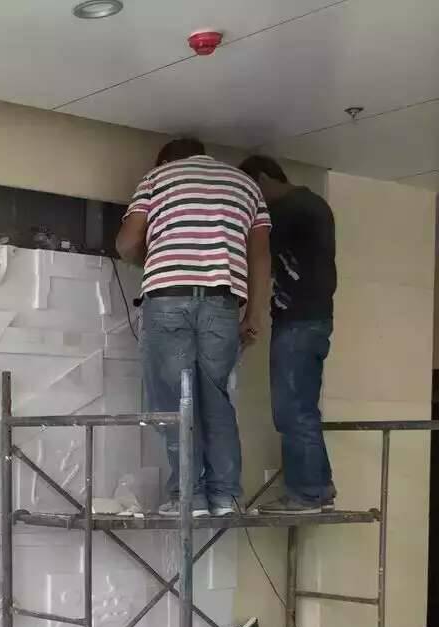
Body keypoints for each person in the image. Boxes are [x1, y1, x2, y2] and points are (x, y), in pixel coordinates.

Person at [116, 138, 272, 517]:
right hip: (222, 301)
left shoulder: (157, 178)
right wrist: (254, 314)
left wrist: (153, 256)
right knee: (215, 398)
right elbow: (260, 255)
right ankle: (226, 497)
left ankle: (190, 497)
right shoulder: (246, 185)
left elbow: (127, 242)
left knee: (175, 399)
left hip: (169, 298)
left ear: (166, 160)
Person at [239, 154, 337, 513]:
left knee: (292, 409)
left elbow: (258, 256)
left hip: (299, 321)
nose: (253, 204)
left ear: (264, 179)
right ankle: (318, 488)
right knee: (300, 407)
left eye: (252, 193)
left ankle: (308, 493)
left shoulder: (290, 209)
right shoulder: (312, 205)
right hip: (309, 320)